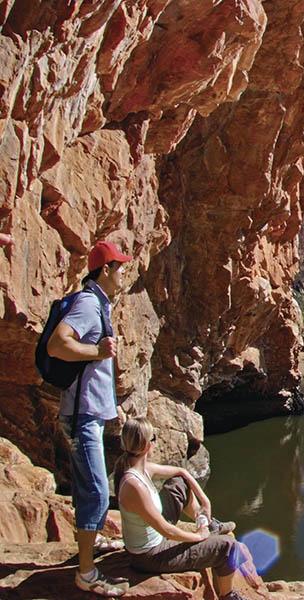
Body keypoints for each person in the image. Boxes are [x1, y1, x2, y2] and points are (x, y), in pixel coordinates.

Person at [47, 240, 132, 596]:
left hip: (91, 413)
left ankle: (90, 548)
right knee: (97, 492)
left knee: (89, 489)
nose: (124, 272)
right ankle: (86, 575)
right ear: (106, 269)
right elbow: (57, 345)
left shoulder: (100, 304)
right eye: (120, 266)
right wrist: (96, 350)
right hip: (82, 417)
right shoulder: (87, 302)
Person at [115, 417, 249, 600]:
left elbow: (181, 473)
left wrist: (204, 500)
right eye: (154, 438)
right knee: (228, 546)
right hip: (150, 556)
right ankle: (227, 595)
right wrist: (199, 537)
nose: (156, 441)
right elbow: (167, 530)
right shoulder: (134, 485)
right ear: (147, 445)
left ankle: (209, 524)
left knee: (177, 484)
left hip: (155, 538)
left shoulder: (140, 468)